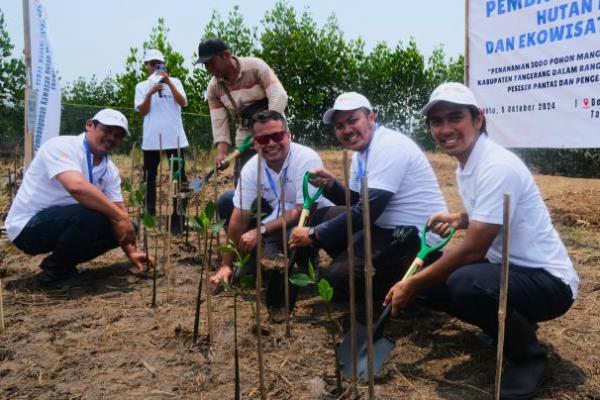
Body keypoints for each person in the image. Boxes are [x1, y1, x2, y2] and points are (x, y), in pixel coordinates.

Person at [384, 82, 579, 399]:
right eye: (436, 121)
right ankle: (506, 327)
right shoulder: (468, 164)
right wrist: (461, 219)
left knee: (464, 282)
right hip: (509, 270)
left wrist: (413, 283)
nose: (445, 128)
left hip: (550, 282)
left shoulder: (496, 165)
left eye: (455, 117)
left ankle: (529, 357)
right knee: (438, 282)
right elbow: (493, 216)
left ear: (478, 119)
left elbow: (474, 248)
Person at [289, 92, 448, 305]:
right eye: (339, 125)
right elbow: (357, 201)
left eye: (352, 120)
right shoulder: (362, 153)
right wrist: (331, 186)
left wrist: (314, 234)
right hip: (386, 230)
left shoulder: (389, 146)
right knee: (322, 216)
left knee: (333, 280)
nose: (347, 130)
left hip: (416, 241)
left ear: (371, 118)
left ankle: (401, 292)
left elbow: (366, 211)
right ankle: (361, 268)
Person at [5, 109, 153, 286]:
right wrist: (120, 217)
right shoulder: (62, 146)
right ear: (90, 125)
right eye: (107, 130)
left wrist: (131, 251)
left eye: (118, 135)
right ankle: (55, 276)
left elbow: (118, 210)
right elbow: (76, 187)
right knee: (92, 215)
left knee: (129, 227)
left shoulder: (110, 169)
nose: (112, 138)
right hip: (28, 228)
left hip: (63, 223)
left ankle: (59, 265)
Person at [208, 110, 332, 319]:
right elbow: (239, 217)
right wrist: (225, 265)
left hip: (311, 219)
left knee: (292, 235)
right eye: (263, 139)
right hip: (277, 215)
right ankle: (256, 258)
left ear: (289, 135)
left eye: (277, 135)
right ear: (255, 143)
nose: (271, 143)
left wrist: (260, 231)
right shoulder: (252, 168)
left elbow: (303, 211)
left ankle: (305, 263)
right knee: (227, 200)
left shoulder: (305, 158)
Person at [194, 38, 288, 178]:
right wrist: (222, 153)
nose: (209, 69)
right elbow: (219, 122)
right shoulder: (214, 89)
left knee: (280, 177)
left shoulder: (256, 67)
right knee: (243, 182)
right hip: (245, 136)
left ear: (226, 55)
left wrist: (265, 130)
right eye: (206, 65)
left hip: (274, 130)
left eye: (212, 63)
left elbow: (279, 96)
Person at [135, 49, 189, 233]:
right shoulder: (142, 86)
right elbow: (142, 112)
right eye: (152, 63)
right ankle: (148, 211)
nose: (156, 66)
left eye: (159, 63)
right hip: (151, 139)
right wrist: (150, 93)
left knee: (179, 178)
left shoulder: (176, 82)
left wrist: (168, 83)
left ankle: (178, 214)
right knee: (149, 176)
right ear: (146, 66)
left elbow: (183, 102)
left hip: (175, 139)